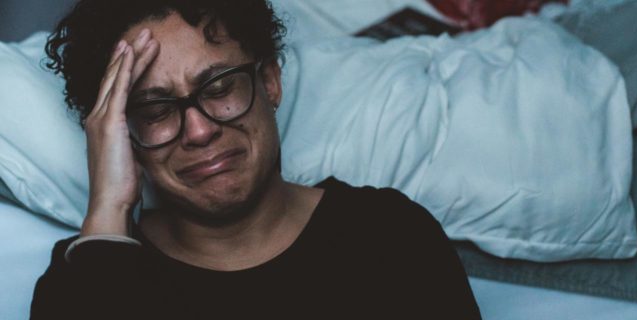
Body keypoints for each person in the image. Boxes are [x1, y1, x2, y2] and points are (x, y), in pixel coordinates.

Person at [30, 0, 481, 318]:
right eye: (155, 110)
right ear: (122, 133)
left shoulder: (390, 235)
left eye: (221, 87)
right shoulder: (86, 275)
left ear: (269, 82)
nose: (200, 130)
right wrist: (108, 210)